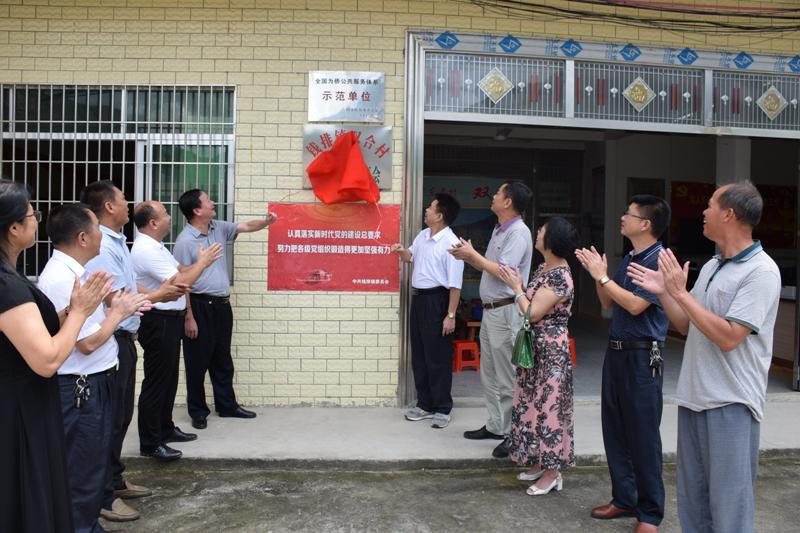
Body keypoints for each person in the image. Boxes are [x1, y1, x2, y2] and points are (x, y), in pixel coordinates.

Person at [627, 181, 780, 533]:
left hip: (732, 403)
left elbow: (729, 337)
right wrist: (667, 294)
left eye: (710, 205)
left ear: (728, 214)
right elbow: (685, 323)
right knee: (694, 506)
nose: (703, 212)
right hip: (695, 398)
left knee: (729, 509)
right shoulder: (712, 266)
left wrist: (681, 292)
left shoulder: (761, 271)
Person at [0, 179, 112, 532]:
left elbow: (36, 329)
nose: (38, 220)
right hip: (17, 412)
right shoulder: (6, 287)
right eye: (32, 214)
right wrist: (79, 314)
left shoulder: (13, 280)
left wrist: (70, 312)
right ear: (14, 227)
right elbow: (46, 360)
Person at [37, 204, 150, 533]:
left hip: (94, 381)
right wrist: (119, 314)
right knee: (80, 471)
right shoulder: (61, 279)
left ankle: (87, 523)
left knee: (93, 464)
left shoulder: (79, 272)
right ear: (83, 237)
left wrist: (111, 305)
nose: (104, 236)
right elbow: (85, 343)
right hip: (79, 388)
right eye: (98, 231)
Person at [81, 180, 186, 523]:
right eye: (124, 200)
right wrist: (158, 296)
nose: (129, 205)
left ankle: (114, 480)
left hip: (125, 337)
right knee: (109, 421)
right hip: (112, 338)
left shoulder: (116, 242)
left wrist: (149, 296)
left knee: (121, 416)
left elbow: (128, 287)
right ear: (109, 207)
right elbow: (114, 299)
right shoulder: (101, 245)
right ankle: (103, 496)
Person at [575, 194, 671, 533]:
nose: (622, 218)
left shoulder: (659, 259)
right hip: (616, 352)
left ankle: (650, 514)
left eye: (627, 213)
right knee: (614, 428)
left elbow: (634, 305)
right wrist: (597, 274)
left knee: (643, 435)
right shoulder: (630, 256)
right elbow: (607, 302)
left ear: (645, 223)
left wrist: (604, 278)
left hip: (643, 355)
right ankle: (624, 498)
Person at [173, 189, 278, 430]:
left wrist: (266, 221)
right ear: (197, 210)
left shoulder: (218, 227)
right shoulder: (185, 241)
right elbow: (181, 280)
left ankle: (227, 405)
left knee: (222, 358)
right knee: (197, 361)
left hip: (222, 306)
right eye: (207, 200)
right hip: (198, 306)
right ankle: (198, 411)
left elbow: (245, 227)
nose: (212, 202)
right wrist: (188, 316)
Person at [131, 200, 223, 461]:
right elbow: (182, 282)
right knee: (157, 382)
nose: (170, 218)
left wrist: (197, 262)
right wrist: (202, 264)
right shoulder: (145, 250)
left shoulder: (157, 247)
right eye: (165, 214)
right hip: (157, 320)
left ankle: (165, 428)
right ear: (153, 223)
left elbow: (180, 270)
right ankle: (150, 442)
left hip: (170, 319)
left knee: (169, 379)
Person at [449, 180, 533, 458]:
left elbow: (505, 273)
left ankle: (512, 433)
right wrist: (469, 255)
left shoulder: (518, 233)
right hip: (492, 310)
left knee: (507, 375)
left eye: (498, 193)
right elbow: (491, 267)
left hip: (507, 309)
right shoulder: (500, 229)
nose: (493, 196)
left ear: (508, 202)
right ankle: (496, 424)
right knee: (489, 373)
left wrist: (473, 256)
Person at [497, 217, 577, 496]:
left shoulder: (560, 276)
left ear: (552, 240)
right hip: (535, 346)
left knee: (550, 408)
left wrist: (517, 288)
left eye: (542, 230)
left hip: (551, 350)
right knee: (531, 403)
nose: (538, 233)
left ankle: (553, 472)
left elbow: (532, 312)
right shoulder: (545, 268)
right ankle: (540, 462)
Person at [391, 193, 464, 429]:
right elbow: (410, 257)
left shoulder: (452, 243)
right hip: (419, 300)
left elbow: (455, 285)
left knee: (438, 357)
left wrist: (450, 315)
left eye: (430, 208)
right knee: (420, 355)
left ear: (440, 216)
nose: (426, 210)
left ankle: (442, 408)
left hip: (438, 301)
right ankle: (424, 404)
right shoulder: (423, 235)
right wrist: (401, 251)